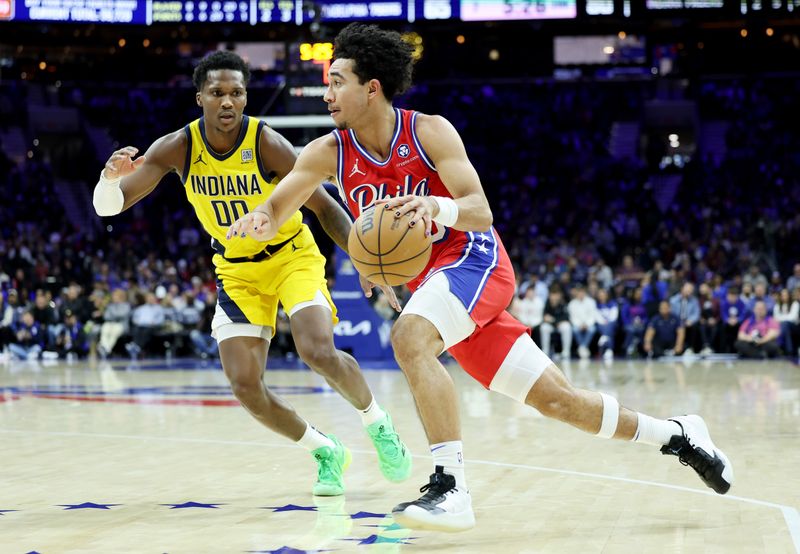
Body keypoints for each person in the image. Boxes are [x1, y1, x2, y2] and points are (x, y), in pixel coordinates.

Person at [226, 24, 733, 532]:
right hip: (435, 287)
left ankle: (451, 486)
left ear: (371, 88)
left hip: (475, 261)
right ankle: (678, 435)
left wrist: (435, 206)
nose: (327, 92)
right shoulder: (327, 152)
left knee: (408, 338)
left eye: (337, 81)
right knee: (560, 402)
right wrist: (263, 219)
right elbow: (282, 199)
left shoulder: (428, 131)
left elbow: (480, 211)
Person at [92, 50, 411, 496]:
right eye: (217, 93)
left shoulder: (266, 142)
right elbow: (112, 206)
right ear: (199, 96)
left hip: (291, 256)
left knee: (316, 349)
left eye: (237, 93)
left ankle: (377, 423)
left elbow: (324, 206)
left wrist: (367, 260)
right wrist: (109, 180)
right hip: (236, 271)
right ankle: (325, 450)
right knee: (245, 385)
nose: (228, 102)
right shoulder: (177, 147)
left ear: (245, 98)